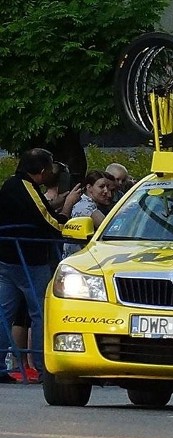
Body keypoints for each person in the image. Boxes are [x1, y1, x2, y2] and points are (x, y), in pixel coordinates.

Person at [0, 148, 82, 382]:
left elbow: (37, 210)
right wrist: (67, 209)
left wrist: (59, 202)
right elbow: (52, 224)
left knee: (4, 312)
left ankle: (1, 365)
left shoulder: (11, 185)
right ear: (43, 170)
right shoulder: (26, 187)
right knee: (40, 312)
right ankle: (42, 367)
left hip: (7, 258)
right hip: (29, 259)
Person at [63, 170, 115, 258]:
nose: (106, 191)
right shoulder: (86, 206)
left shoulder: (86, 202)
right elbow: (107, 229)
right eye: (101, 187)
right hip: (79, 258)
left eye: (108, 187)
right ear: (89, 187)